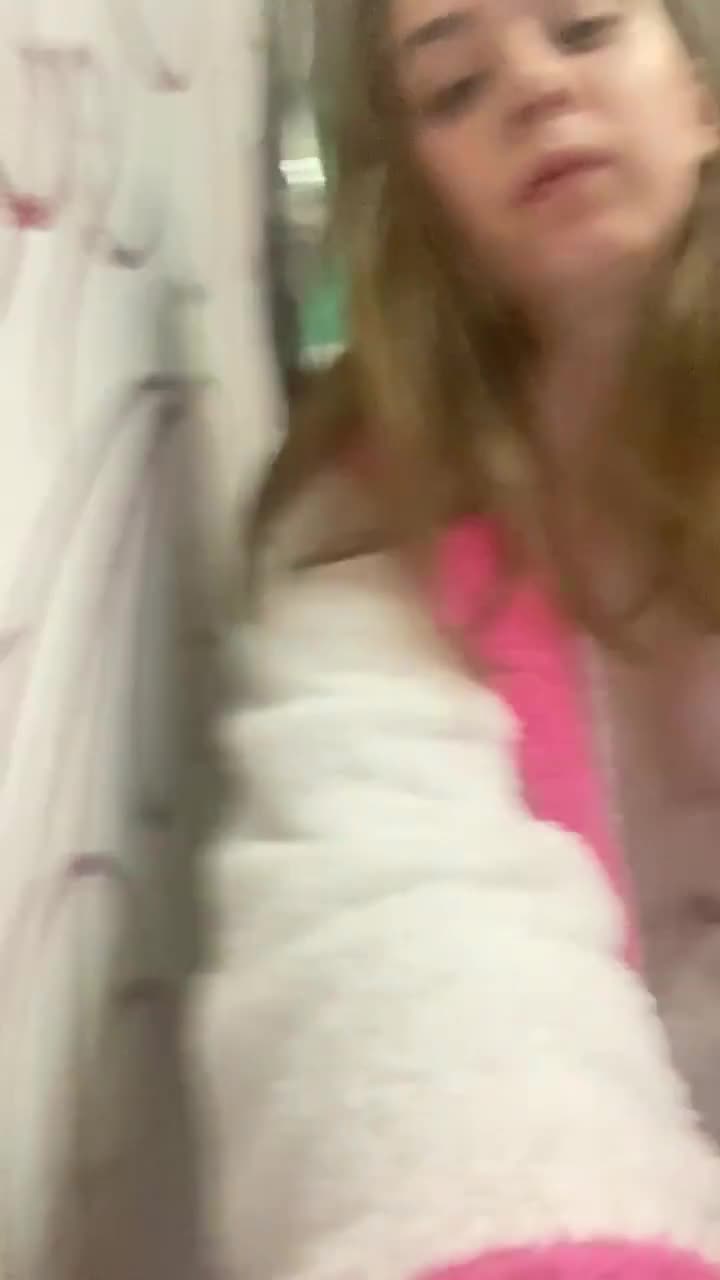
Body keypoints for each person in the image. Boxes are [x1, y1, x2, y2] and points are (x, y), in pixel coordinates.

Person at [190, 2, 720, 1277]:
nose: (535, 89)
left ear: (704, 97)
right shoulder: (372, 525)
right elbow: (386, 899)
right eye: (455, 89)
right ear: (417, 194)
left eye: (583, 29)